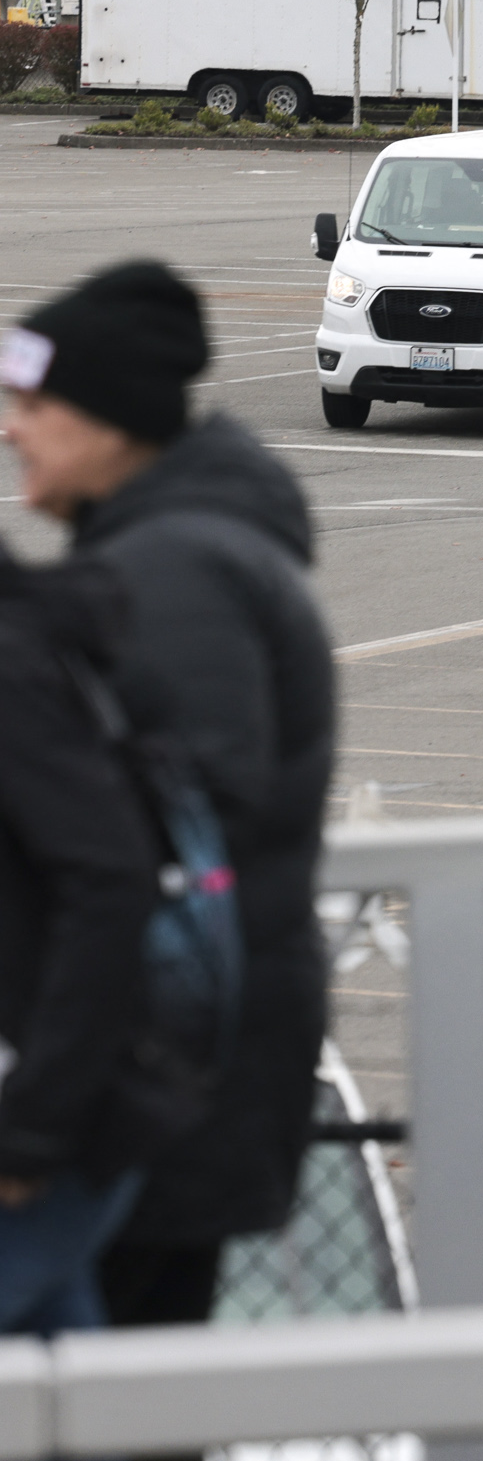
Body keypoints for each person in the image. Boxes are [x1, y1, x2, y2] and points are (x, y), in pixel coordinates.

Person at [3, 259, 337, 1332]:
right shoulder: (172, 548)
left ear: (110, 419)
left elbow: (157, 855)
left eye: (35, 403)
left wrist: (47, 1110)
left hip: (149, 1096)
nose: (13, 428)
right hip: (167, 1081)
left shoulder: (170, 576)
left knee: (119, 1401)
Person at [0, 542, 164, 1337]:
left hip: (41, 1126)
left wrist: (31, 1131)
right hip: (53, 1118)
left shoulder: (13, 667)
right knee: (61, 1382)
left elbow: (109, 879)